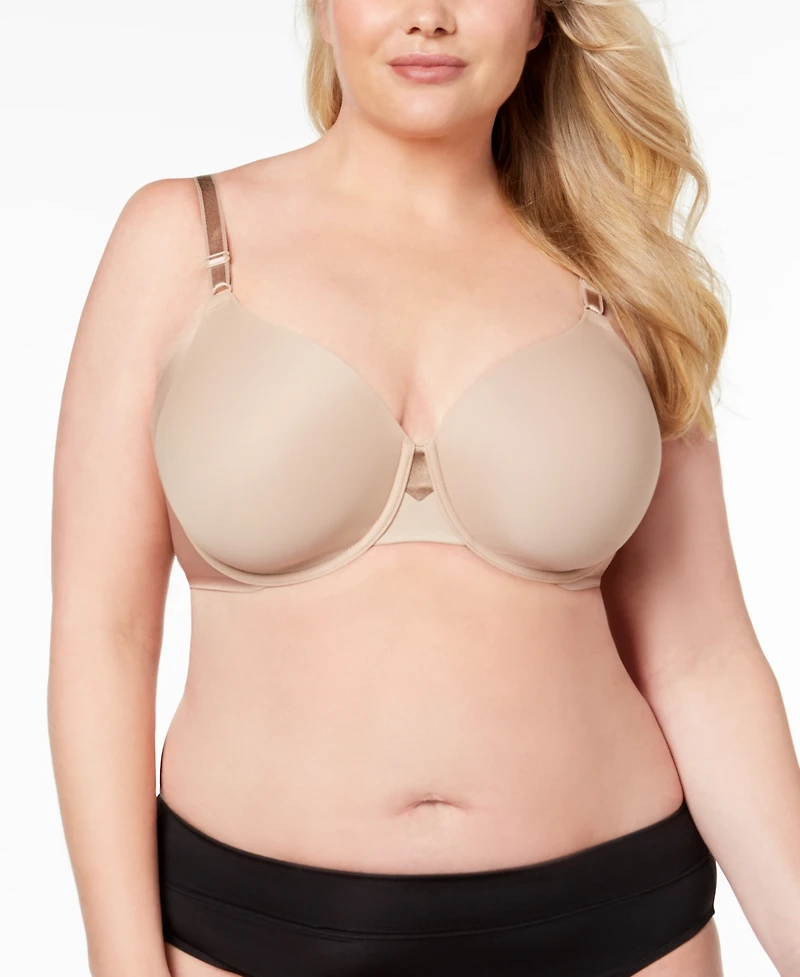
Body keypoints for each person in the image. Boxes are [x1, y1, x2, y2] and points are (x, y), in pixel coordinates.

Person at [48, 2, 800, 976]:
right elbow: (103, 636)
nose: (430, 18)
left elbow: (700, 653)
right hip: (254, 933)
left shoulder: (619, 271)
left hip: (623, 926)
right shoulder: (180, 241)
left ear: (539, 20)